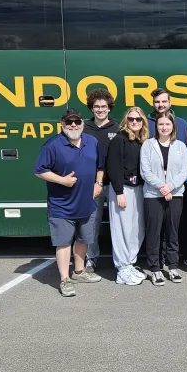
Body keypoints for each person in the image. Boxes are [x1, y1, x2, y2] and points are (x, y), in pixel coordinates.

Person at [33, 108, 104, 297]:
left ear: (82, 123)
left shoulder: (91, 141)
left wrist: (98, 183)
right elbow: (39, 170)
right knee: (63, 242)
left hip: (86, 203)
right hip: (62, 205)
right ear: (62, 124)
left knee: (83, 239)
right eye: (69, 122)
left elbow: (100, 166)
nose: (73, 125)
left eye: (77, 121)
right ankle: (65, 279)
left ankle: (79, 272)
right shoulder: (53, 145)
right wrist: (62, 180)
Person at [140, 112, 187, 286]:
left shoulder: (180, 146)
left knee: (172, 232)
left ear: (173, 126)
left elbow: (184, 170)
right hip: (153, 195)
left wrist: (170, 187)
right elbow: (145, 171)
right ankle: (155, 269)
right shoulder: (148, 145)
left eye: (167, 124)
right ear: (156, 126)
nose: (164, 127)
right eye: (161, 124)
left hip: (175, 194)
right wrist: (162, 187)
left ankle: (173, 266)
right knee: (154, 232)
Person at [105, 106, 149, 286]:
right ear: (126, 121)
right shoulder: (119, 139)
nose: (134, 122)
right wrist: (119, 192)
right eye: (131, 119)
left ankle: (130, 263)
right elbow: (113, 167)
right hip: (122, 189)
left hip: (138, 188)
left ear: (143, 121)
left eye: (138, 119)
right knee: (122, 229)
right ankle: (122, 268)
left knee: (136, 229)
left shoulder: (141, 141)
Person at [82, 88, 118, 273]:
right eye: (96, 106)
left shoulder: (118, 128)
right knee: (91, 223)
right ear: (91, 108)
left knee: (118, 225)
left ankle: (121, 260)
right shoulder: (84, 128)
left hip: (115, 185)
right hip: (93, 185)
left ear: (109, 108)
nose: (100, 109)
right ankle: (91, 259)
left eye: (104, 106)